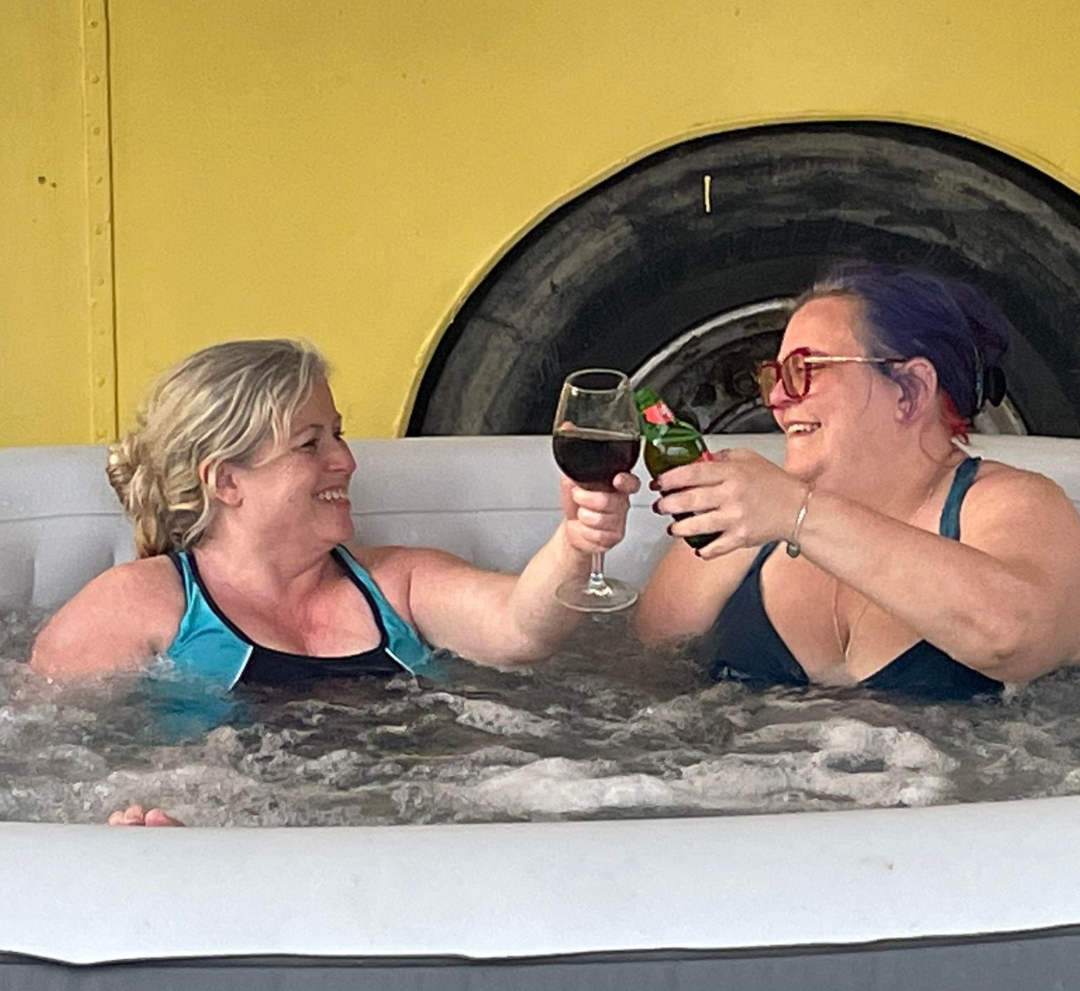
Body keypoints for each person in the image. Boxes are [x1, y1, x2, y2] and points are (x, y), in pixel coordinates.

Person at [32, 339, 638, 689]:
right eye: (310, 443)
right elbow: (49, 751)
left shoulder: (397, 583)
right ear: (226, 481)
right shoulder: (137, 605)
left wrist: (576, 538)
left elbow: (520, 632)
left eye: (339, 435)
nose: (345, 461)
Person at [637, 263, 1080, 701]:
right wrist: (596, 542)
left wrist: (796, 512)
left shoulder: (1013, 504)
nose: (776, 398)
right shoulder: (750, 518)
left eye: (805, 370)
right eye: (774, 376)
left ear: (909, 391)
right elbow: (641, 677)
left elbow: (1015, 637)